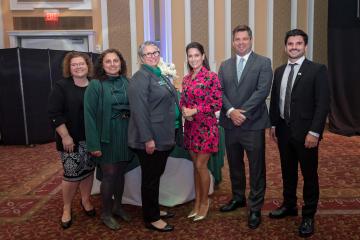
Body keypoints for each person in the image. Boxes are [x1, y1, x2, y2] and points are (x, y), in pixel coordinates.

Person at [268, 29, 330, 238]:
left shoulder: (317, 70)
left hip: (306, 134)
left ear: (305, 46)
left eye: (298, 43)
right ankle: (289, 205)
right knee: (287, 171)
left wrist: (315, 132)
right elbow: (276, 101)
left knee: (309, 175)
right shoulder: (279, 71)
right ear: (285, 47)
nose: (294, 47)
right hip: (284, 131)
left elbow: (322, 104)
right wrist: (274, 125)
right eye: (290, 44)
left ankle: (309, 215)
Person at [218, 25, 273, 229]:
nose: (241, 42)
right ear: (233, 42)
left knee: (256, 167)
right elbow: (220, 91)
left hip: (253, 124)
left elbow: (262, 91)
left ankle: (255, 207)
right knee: (234, 164)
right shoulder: (224, 65)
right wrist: (231, 111)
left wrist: (242, 113)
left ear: (251, 40)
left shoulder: (263, 62)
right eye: (237, 39)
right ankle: (238, 197)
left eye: (244, 39)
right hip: (231, 125)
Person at [128, 41, 177, 232]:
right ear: (141, 58)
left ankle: (154, 209)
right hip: (150, 139)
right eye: (147, 54)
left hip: (163, 136)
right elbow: (139, 111)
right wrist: (148, 139)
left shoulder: (159, 75)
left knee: (155, 177)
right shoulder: (140, 77)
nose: (152, 56)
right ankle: (151, 218)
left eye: (155, 52)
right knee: (150, 179)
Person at [84, 48, 132, 230]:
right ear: (102, 65)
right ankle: (106, 213)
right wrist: (93, 144)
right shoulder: (95, 85)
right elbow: (88, 116)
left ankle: (118, 207)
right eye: (108, 61)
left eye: (116, 61)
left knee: (120, 173)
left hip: (125, 133)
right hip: (106, 136)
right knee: (110, 175)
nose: (112, 64)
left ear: (121, 63)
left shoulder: (127, 82)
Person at [48, 51, 96, 229]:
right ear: (69, 67)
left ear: (87, 65)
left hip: (91, 140)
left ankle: (85, 200)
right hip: (71, 141)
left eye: (81, 64)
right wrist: (66, 136)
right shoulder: (61, 86)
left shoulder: (94, 85)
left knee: (88, 171)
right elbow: (54, 114)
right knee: (71, 176)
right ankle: (66, 208)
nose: (78, 67)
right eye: (74, 64)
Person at [180, 42, 222, 221]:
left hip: (206, 128)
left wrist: (195, 110)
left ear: (203, 56)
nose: (193, 59)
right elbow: (182, 100)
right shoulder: (186, 78)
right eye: (190, 56)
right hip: (190, 128)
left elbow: (216, 103)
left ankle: (205, 203)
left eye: (197, 55)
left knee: (200, 166)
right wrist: (184, 112)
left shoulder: (211, 77)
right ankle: (197, 202)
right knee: (195, 168)